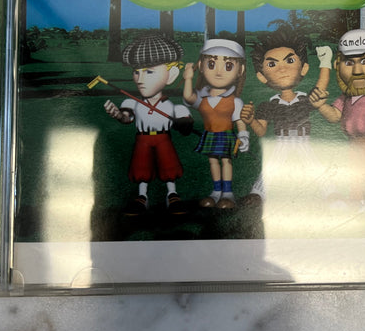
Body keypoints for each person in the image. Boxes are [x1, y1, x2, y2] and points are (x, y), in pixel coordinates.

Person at [241, 26, 332, 205]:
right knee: (272, 166)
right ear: (262, 76)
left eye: (289, 61)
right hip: (281, 141)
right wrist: (251, 120)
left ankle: (330, 192)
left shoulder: (305, 99)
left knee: (314, 164)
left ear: (303, 68)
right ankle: (257, 193)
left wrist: (325, 63)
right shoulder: (269, 105)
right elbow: (261, 130)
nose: (282, 69)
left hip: (303, 140)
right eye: (272, 64)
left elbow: (319, 90)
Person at [103, 32, 193, 212]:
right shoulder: (133, 103)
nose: (140, 79)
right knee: (141, 165)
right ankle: (142, 196)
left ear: (171, 75)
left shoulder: (172, 107)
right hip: (143, 139)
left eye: (149, 71)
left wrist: (183, 124)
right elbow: (127, 117)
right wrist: (119, 116)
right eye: (136, 72)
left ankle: (172, 194)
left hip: (163, 138)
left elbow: (186, 126)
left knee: (168, 165)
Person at [309, 28, 365, 213]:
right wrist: (321, 106)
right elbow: (334, 116)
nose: (357, 71)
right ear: (338, 66)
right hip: (354, 141)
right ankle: (359, 201)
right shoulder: (346, 98)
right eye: (349, 63)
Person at [183, 38, 249, 209]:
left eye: (228, 66)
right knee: (212, 161)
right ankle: (216, 191)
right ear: (201, 66)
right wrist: (188, 78)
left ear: (240, 70)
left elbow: (240, 121)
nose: (219, 72)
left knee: (226, 161)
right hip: (210, 135)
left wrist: (243, 136)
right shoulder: (202, 97)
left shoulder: (235, 101)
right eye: (211, 64)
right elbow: (188, 98)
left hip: (226, 135)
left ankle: (228, 193)